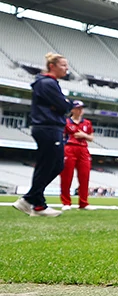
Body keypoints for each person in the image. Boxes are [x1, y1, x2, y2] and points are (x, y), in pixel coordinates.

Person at [15, 52, 72, 217]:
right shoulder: (47, 83)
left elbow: (62, 106)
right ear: (52, 66)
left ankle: (37, 203)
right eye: (63, 65)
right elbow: (64, 106)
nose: (66, 69)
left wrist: (63, 105)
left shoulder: (49, 83)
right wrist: (64, 105)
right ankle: (30, 199)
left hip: (49, 127)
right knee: (51, 165)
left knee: (50, 165)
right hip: (48, 127)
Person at [60, 100, 94, 210]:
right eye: (78, 108)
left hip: (83, 149)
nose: (80, 110)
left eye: (81, 108)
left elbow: (91, 138)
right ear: (72, 110)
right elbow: (61, 136)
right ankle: (66, 203)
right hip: (69, 148)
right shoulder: (66, 122)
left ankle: (84, 203)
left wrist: (83, 135)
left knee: (84, 177)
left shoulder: (87, 123)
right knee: (66, 177)